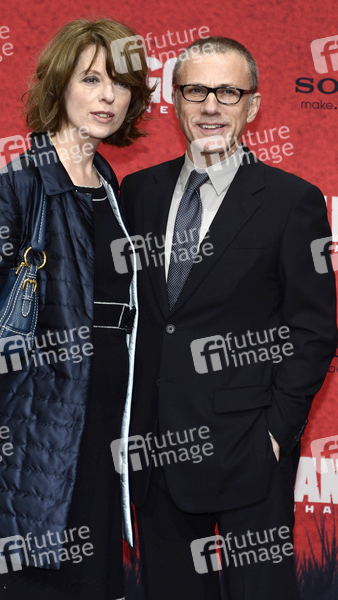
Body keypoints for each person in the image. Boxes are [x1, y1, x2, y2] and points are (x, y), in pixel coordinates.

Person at [0, 18, 152, 600]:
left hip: (106, 418)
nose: (108, 96)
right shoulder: (14, 185)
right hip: (34, 418)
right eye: (91, 79)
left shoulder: (111, 187)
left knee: (89, 577)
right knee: (29, 576)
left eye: (121, 83)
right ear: (60, 85)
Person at [119, 37, 337, 600]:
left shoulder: (292, 201)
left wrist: (275, 434)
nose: (211, 106)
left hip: (249, 452)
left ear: (253, 104)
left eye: (228, 92)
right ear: (175, 100)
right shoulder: (138, 192)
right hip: (157, 450)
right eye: (196, 90)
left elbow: (313, 329)